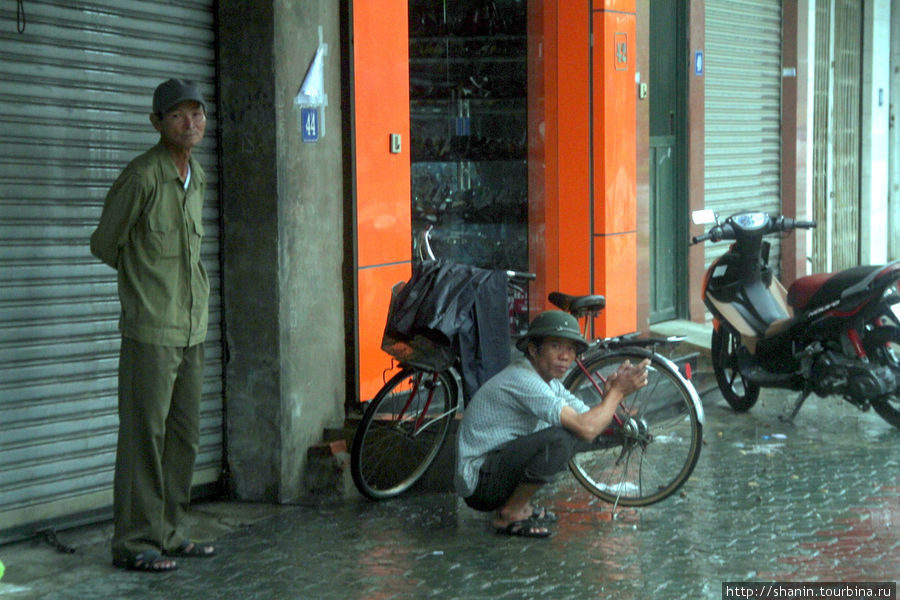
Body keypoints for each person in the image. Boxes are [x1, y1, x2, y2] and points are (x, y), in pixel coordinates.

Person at [90, 78, 216, 572]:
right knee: (144, 436)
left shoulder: (196, 177)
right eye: (179, 115)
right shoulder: (142, 177)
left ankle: (170, 532)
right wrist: (143, 280)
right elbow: (105, 244)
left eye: (197, 114)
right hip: (151, 330)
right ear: (157, 123)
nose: (191, 123)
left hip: (193, 328)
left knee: (183, 436)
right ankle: (134, 541)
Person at [455, 310, 650, 538]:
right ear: (533, 350)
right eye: (556, 346)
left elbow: (590, 419)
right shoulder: (524, 380)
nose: (565, 356)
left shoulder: (549, 382)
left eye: (570, 349)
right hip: (479, 483)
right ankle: (510, 512)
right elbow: (585, 429)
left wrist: (610, 396)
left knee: (566, 433)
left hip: (495, 467)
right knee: (561, 439)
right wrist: (616, 393)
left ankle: (518, 505)